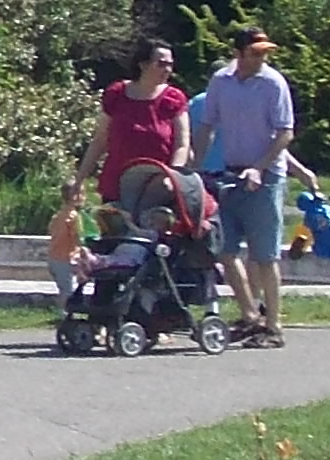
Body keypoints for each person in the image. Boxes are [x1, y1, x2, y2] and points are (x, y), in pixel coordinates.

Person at [200, 26, 299, 347]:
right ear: (238, 53)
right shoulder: (221, 82)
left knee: (265, 255)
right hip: (230, 175)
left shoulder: (273, 83)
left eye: (265, 53)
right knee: (225, 250)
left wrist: (259, 168)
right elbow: (207, 126)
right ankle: (249, 316)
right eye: (255, 52)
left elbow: (285, 133)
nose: (262, 58)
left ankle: (273, 326)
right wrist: (192, 168)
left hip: (265, 177)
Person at [70, 39, 193, 231]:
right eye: (161, 64)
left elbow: (182, 144)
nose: (167, 69)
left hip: (158, 189)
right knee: (115, 247)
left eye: (170, 64)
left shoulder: (173, 99)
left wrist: (173, 176)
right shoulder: (116, 94)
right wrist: (80, 179)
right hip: (117, 186)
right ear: (143, 64)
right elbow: (100, 140)